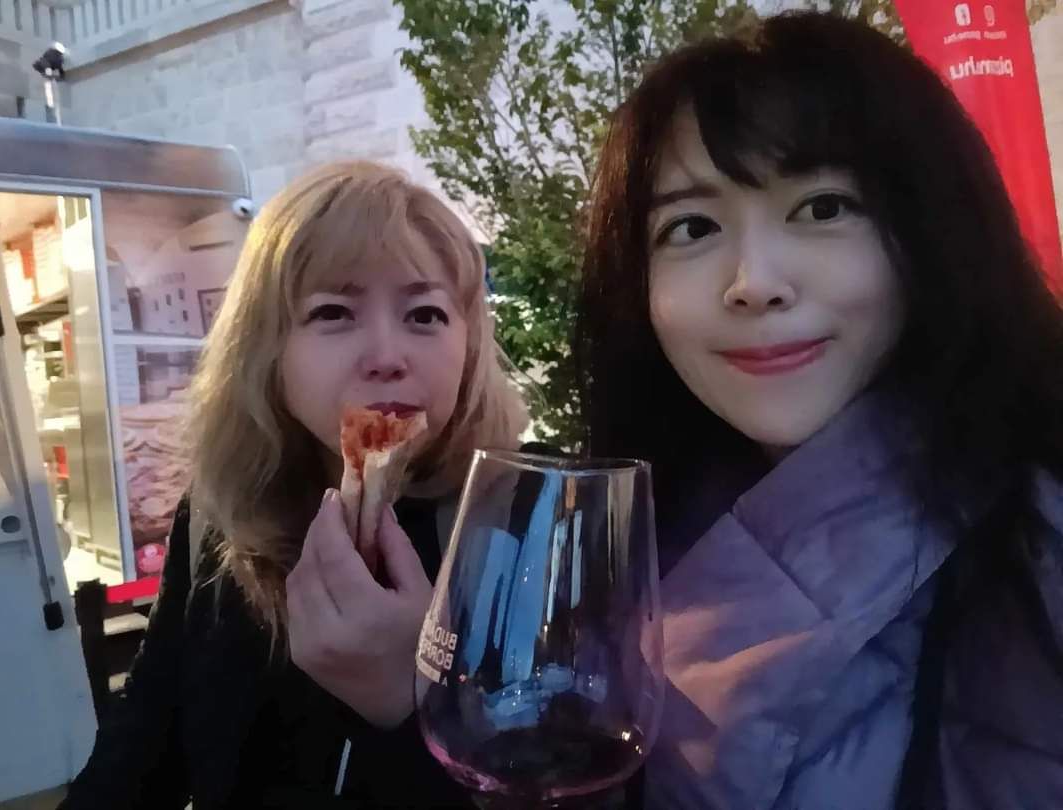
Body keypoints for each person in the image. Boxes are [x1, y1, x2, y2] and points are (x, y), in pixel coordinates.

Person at [576, 11, 1063, 809]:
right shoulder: (626, 533)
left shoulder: (1036, 547)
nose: (754, 282)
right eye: (692, 227)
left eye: (824, 207)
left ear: (935, 225)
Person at [60, 160, 529, 808]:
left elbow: (570, 779)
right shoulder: (222, 513)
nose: (387, 357)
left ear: (469, 347)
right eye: (334, 312)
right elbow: (145, 738)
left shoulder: (527, 517)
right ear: (267, 350)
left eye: (425, 315)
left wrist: (412, 701)